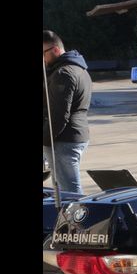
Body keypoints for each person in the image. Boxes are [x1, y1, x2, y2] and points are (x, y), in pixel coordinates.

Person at [43, 30, 91, 194]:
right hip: (74, 135)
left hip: (63, 140)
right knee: (68, 190)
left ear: (55, 50)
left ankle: (77, 219)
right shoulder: (79, 68)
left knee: (70, 193)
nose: (43, 59)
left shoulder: (63, 74)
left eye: (43, 54)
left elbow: (59, 115)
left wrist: (45, 140)